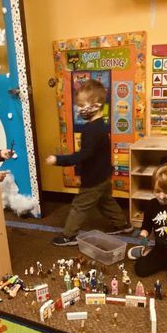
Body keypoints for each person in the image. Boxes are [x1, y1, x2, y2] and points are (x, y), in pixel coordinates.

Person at [45, 80, 132, 246]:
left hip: (93, 180)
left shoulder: (91, 129)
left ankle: (68, 236)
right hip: (103, 175)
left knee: (79, 206)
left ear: (96, 105)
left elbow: (83, 155)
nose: (79, 109)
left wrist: (59, 160)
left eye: (82, 105)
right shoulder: (100, 125)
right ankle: (123, 225)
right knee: (106, 201)